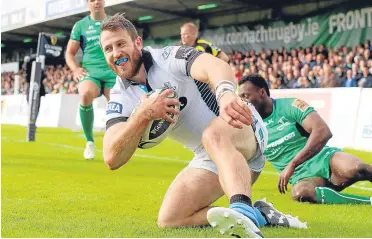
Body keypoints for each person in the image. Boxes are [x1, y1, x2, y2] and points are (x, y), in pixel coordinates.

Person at [100, 13, 307, 238]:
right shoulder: (120, 95)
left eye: (121, 44)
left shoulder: (168, 57)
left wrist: (226, 93)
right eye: (108, 49)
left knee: (213, 134)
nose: (115, 53)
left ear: (137, 43)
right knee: (171, 218)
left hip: (241, 126)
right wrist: (142, 115)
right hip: (207, 154)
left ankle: (243, 211)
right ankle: (260, 215)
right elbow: (112, 157)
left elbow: (213, 65)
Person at [238, 74, 372, 205]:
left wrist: (293, 163)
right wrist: (239, 192)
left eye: (246, 96)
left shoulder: (290, 105)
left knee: (359, 167)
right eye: (240, 97)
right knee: (301, 193)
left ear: (262, 92)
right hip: (302, 177)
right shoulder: (250, 126)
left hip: (325, 158)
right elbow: (255, 163)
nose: (242, 102)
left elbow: (323, 131)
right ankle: (367, 202)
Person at [65, 0, 116, 160]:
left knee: (117, 103)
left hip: (112, 71)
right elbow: (69, 53)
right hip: (91, 71)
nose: (96, 2)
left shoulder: (114, 22)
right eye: (92, 0)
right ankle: (89, 142)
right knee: (85, 94)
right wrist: (75, 69)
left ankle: (115, 142)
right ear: (88, 3)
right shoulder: (80, 25)